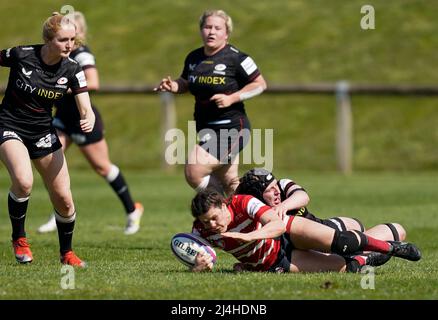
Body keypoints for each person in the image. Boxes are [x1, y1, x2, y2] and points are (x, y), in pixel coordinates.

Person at [0, 12, 96, 266]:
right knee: (23, 181)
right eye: (64, 40)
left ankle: (67, 254)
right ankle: (19, 239)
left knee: (64, 199)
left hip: (42, 132)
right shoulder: (22, 55)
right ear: (48, 40)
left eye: (73, 40)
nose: (70, 45)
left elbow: (85, 106)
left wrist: (89, 118)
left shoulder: (73, 68)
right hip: (9, 126)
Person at [36, 11, 144, 236]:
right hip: (62, 118)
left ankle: (132, 210)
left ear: (80, 32)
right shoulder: (56, 55)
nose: (67, 37)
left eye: (72, 31)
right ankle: (59, 213)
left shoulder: (82, 55)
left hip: (84, 118)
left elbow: (93, 82)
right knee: (49, 162)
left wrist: (59, 87)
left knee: (102, 167)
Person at [154, 9, 267, 195]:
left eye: (217, 28)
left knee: (194, 171)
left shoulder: (238, 58)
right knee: (230, 183)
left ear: (227, 33)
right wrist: (174, 85)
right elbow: (186, 82)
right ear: (201, 30)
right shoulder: (194, 58)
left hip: (232, 128)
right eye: (207, 27)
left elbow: (260, 84)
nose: (211, 32)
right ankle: (249, 217)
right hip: (206, 129)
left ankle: (221, 208)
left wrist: (232, 98)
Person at [189, 189, 421, 272]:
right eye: (205, 222)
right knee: (347, 267)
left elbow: (277, 224)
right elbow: (201, 255)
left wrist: (248, 236)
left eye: (213, 218)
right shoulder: (201, 229)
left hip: (287, 233)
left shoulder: (242, 202)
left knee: (341, 242)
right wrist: (199, 266)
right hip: (275, 262)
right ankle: (365, 258)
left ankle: (390, 247)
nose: (211, 225)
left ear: (223, 205)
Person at [236, 168, 406, 244]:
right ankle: (387, 242)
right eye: (270, 190)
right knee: (390, 233)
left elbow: (303, 196)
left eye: (275, 186)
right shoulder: (257, 213)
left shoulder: (283, 185)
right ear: (258, 197)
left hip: (329, 227)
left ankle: (384, 240)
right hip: (319, 243)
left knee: (358, 229)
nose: (276, 191)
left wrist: (284, 207)